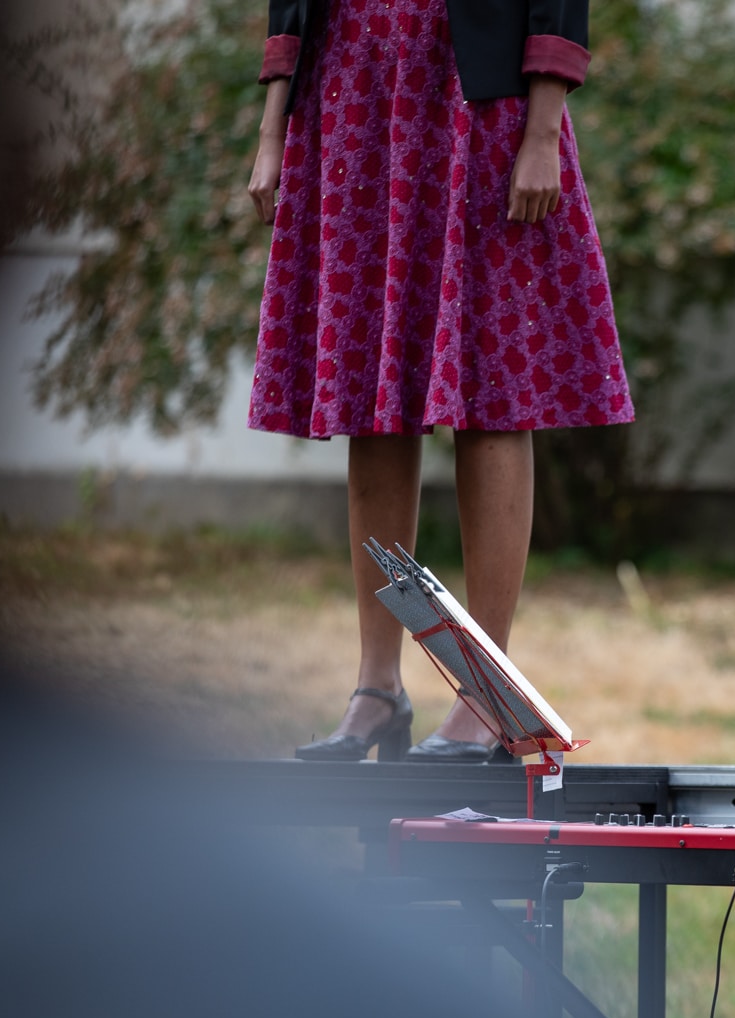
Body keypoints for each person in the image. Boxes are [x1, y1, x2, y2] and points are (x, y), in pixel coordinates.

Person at [246, 0, 633, 763]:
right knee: (370, 397)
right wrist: (272, 129)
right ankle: (377, 687)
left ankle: (488, 692)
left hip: (474, 97)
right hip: (350, 88)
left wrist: (543, 129)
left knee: (491, 394)